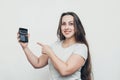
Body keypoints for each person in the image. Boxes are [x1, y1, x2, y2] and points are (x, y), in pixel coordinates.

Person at [17, 12, 92, 80]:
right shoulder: (56, 45)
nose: (66, 27)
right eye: (63, 24)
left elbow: (65, 71)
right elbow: (37, 63)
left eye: (71, 24)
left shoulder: (81, 48)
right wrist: (25, 47)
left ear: (77, 27)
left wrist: (50, 53)